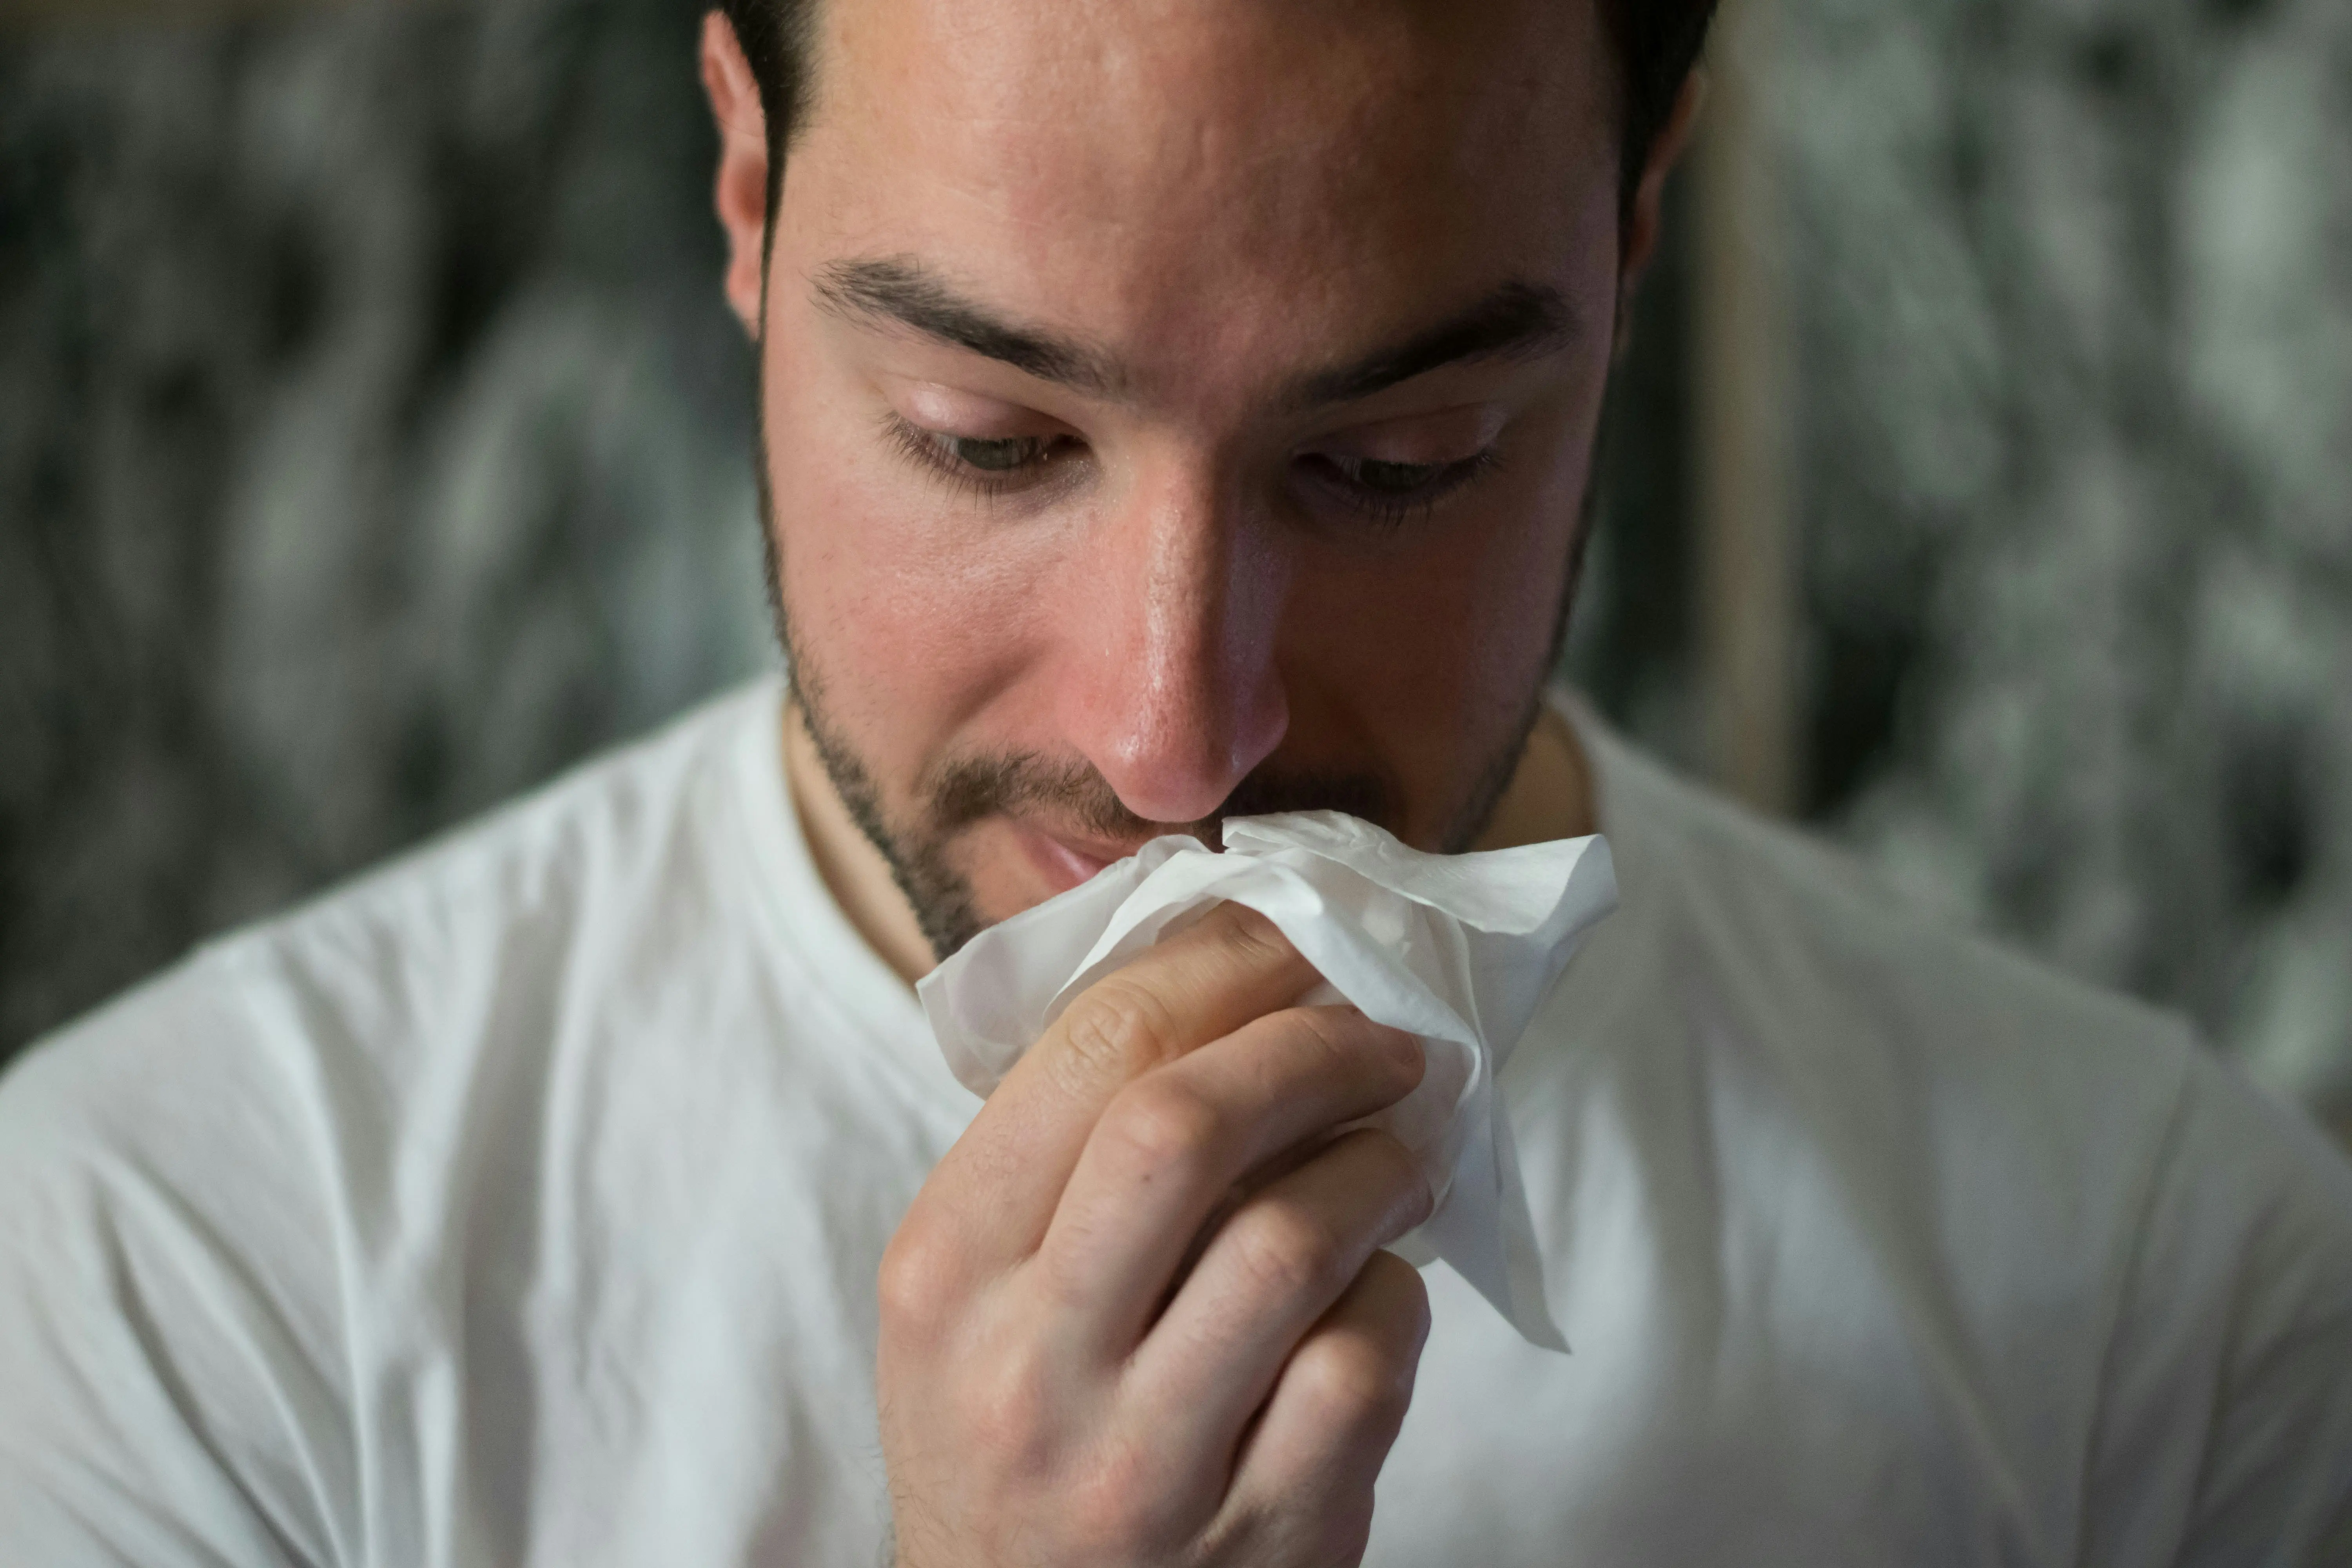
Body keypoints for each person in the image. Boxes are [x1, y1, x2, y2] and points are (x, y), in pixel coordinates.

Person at [2, 0, 2348, 1561]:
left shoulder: (2164, 1314)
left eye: (1398, 462)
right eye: (992, 441)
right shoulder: (181, 1283)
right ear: (743, 188)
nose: (1176, 735)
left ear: (1630, 245)